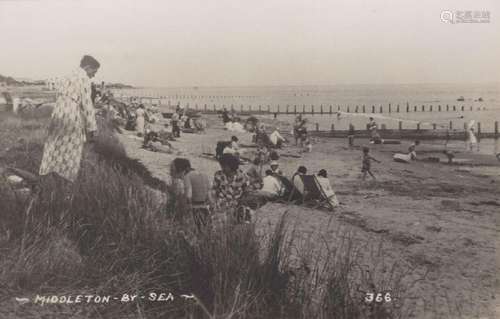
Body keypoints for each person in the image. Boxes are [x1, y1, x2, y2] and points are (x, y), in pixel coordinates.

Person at [39, 55, 100, 183]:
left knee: (54, 143)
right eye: (93, 72)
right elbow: (87, 103)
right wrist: (92, 127)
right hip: (72, 113)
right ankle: (66, 178)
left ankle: (49, 173)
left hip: (58, 111)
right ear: (88, 67)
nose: (93, 76)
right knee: (72, 145)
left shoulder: (68, 75)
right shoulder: (83, 78)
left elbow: (58, 95)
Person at [212, 154, 250, 223]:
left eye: (224, 166)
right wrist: (215, 202)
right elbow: (214, 190)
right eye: (221, 166)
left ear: (231, 166)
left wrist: (241, 202)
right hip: (222, 206)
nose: (222, 168)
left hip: (237, 206)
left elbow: (246, 190)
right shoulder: (218, 175)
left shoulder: (242, 176)